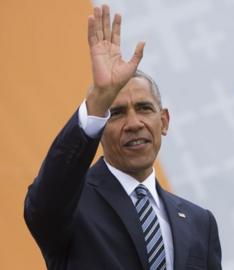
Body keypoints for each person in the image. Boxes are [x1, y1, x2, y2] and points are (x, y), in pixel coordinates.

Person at [24, 5, 221, 270]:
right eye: (116, 113)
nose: (133, 123)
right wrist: (98, 100)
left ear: (163, 121)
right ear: (102, 125)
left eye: (144, 108)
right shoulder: (70, 204)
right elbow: (44, 202)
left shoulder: (199, 222)